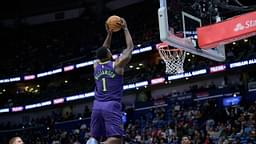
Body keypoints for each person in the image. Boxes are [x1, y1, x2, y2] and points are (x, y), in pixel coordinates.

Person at [87, 17, 134, 144]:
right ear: (109, 54)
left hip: (97, 105)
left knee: (94, 137)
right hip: (111, 105)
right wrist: (125, 28)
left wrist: (109, 34)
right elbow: (130, 48)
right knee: (116, 139)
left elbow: (103, 49)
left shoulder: (96, 65)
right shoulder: (116, 65)